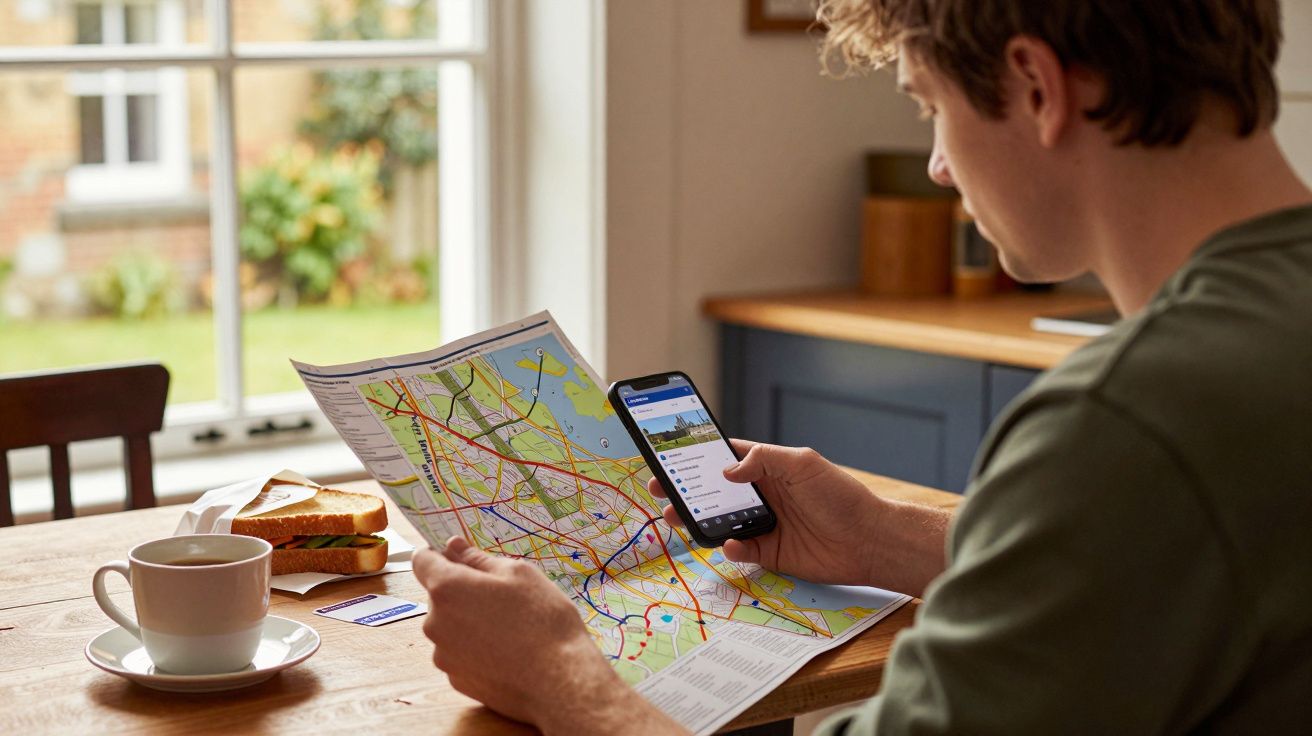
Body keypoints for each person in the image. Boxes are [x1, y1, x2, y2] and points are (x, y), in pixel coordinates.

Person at [412, 0, 1312, 732]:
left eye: (929, 106)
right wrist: (887, 540)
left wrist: (558, 677)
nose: (937, 165)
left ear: (1037, 87)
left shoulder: (1123, 422)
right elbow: (1166, 569)